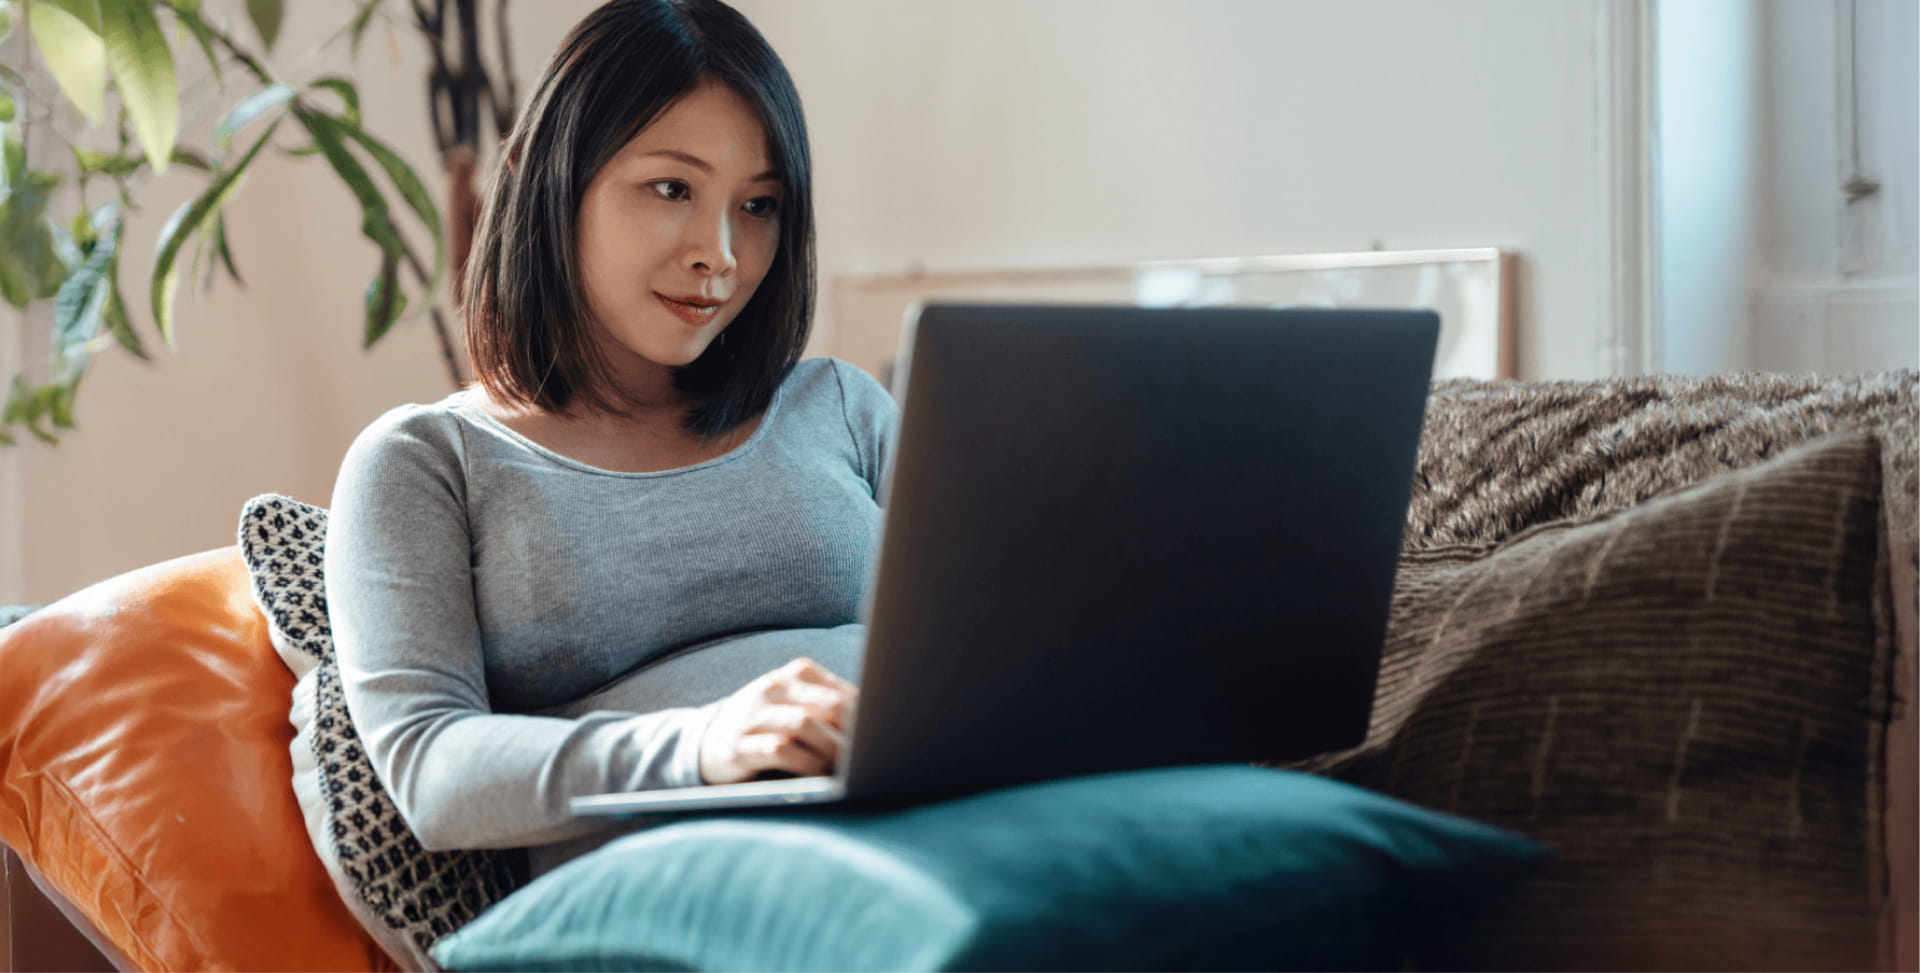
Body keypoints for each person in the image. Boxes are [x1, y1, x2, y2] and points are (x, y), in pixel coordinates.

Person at [325, 0, 892, 879]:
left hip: (932, 823)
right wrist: (702, 744)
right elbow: (431, 771)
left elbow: (999, 637)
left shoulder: (842, 407)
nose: (722, 253)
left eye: (759, 205)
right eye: (672, 188)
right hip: (677, 889)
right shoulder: (428, 461)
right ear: (550, 179)